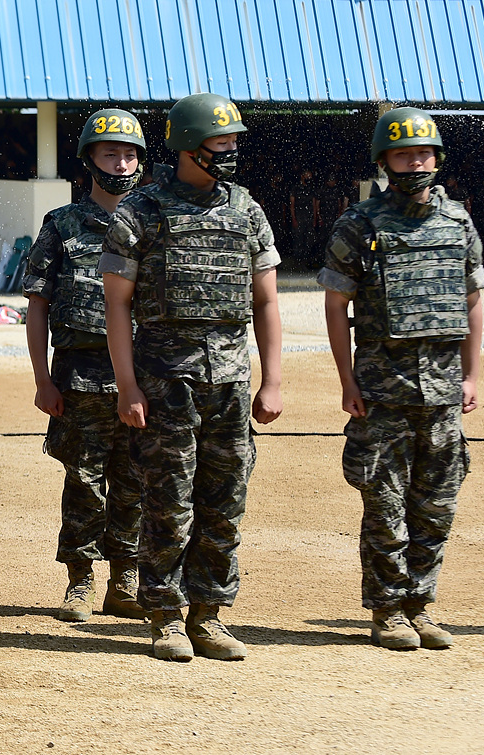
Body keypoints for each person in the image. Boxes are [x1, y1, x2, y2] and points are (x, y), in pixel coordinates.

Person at [99, 92, 283, 662]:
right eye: (220, 143)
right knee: (168, 502)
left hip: (228, 385)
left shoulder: (247, 210)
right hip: (163, 386)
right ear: (187, 146)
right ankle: (165, 617)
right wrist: (128, 386)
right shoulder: (140, 213)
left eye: (233, 142)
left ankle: (209, 614)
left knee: (224, 500)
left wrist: (272, 378)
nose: (230, 152)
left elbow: (266, 302)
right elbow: (116, 307)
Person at [319, 107, 484, 651]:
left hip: (441, 391)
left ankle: (421, 604)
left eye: (424, 153)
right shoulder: (359, 225)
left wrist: (471, 374)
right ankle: (387, 611)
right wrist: (347, 380)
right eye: (403, 154)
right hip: (382, 392)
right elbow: (336, 303)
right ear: (384, 161)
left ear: (437, 158)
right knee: (385, 505)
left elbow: (472, 300)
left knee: (437, 506)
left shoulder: (458, 222)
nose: (416, 163)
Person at [23, 109, 144, 623]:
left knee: (137, 477)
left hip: (142, 376)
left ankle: (127, 577)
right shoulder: (62, 225)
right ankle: (80, 578)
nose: (122, 162)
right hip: (80, 375)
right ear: (89, 161)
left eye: (130, 153)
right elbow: (37, 304)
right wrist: (42, 379)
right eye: (111, 152)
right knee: (84, 478)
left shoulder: (152, 222)